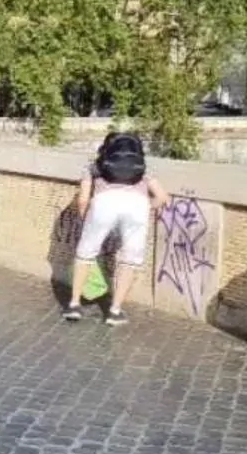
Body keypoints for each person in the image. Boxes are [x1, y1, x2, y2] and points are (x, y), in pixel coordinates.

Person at [63, 132, 169, 325]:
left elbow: (83, 200)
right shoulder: (143, 168)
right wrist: (146, 206)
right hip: (137, 206)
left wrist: (86, 218)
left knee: (85, 254)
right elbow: (162, 197)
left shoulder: (94, 166)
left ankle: (74, 305)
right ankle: (115, 311)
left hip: (104, 204)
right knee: (130, 261)